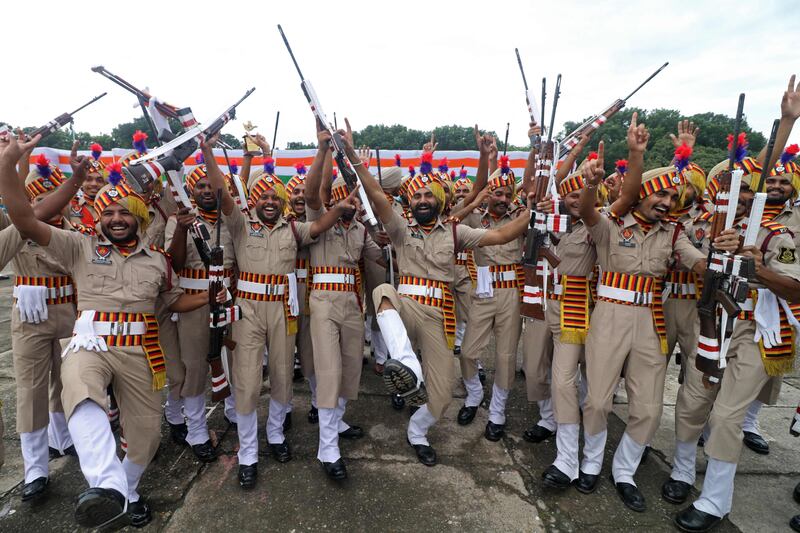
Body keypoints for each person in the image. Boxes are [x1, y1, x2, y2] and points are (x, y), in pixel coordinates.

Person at [0, 132, 219, 529]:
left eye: (125, 213)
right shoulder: (78, 246)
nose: (116, 218)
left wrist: (211, 298)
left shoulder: (159, 261)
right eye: (108, 213)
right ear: (98, 219)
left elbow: (173, 301)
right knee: (81, 392)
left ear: (140, 218)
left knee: (147, 434)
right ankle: (107, 484)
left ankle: (126, 491)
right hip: (90, 342)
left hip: (141, 350)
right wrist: (7, 164)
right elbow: (24, 219)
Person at [576, 117, 740, 512]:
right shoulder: (612, 223)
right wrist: (591, 184)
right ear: (645, 192)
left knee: (648, 407)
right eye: (660, 194)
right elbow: (586, 212)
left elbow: (697, 263)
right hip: (610, 316)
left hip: (651, 318)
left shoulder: (674, 232)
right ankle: (591, 463)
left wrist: (720, 257)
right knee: (597, 401)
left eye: (673, 197)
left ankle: (625, 472)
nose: (667, 202)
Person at [347, 119, 532, 465]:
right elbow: (374, 194)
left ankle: (417, 432)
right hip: (406, 307)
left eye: (427, 194)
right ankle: (402, 361)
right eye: (415, 194)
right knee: (383, 291)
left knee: (443, 395)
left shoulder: (455, 231)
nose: (420, 198)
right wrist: (354, 157)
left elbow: (502, 236)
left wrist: (532, 212)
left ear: (440, 200)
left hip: (439, 315)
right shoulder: (401, 228)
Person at [202, 133, 357, 489]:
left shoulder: (292, 227)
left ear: (283, 201)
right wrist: (208, 152)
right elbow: (222, 192)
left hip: (283, 309)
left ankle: (275, 435)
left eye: (276, 196)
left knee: (284, 376)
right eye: (264, 196)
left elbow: (318, 224)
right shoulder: (241, 224)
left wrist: (340, 208)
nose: (270, 201)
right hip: (248, 310)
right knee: (247, 380)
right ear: (254, 200)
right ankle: (248, 454)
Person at [674, 166, 800, 531]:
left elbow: (794, 289)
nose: (738, 196)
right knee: (692, 401)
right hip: (712, 323)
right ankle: (682, 473)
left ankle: (714, 501)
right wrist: (710, 255)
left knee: (727, 417)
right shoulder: (710, 225)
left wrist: (758, 269)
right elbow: (683, 247)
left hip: (756, 330)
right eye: (731, 189)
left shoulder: (782, 233)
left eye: (746, 190)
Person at [539, 117, 646, 488]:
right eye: (569, 194)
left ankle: (591, 459)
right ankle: (567, 458)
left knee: (593, 389)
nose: (574, 201)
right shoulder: (564, 223)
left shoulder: (605, 222)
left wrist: (633, 156)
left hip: (594, 310)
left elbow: (626, 196)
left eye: (580, 195)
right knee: (563, 381)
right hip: (564, 307)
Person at [3, 140, 93, 502]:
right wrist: (11, 162)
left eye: (47, 197)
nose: (40, 205)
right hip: (29, 315)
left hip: (68, 309)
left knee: (67, 382)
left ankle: (63, 438)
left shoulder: (73, 228)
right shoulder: (13, 223)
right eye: (34, 198)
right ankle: (35, 468)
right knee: (30, 389)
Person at [302, 125, 383, 479]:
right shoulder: (320, 221)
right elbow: (310, 195)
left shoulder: (361, 230)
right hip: (322, 303)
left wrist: (390, 236)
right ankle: (327, 449)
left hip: (352, 305)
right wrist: (323, 151)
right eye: (344, 197)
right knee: (330, 370)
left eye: (354, 197)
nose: (350, 202)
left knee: (351, 369)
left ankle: (337, 423)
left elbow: (380, 258)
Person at [164, 158, 236, 463]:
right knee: (194, 369)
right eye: (201, 185)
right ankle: (195, 429)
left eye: (211, 185)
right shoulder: (179, 221)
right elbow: (175, 264)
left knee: (230, 358)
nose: (207, 190)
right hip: (195, 302)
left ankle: (233, 410)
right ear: (192, 190)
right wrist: (181, 229)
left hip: (228, 298)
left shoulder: (231, 221)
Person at [454, 154, 526, 441]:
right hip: (482, 291)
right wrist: (485, 158)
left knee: (506, 356)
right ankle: (474, 395)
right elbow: (464, 203)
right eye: (497, 192)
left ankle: (497, 411)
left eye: (508, 193)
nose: (503, 198)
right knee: (469, 351)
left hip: (511, 292)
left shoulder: (521, 215)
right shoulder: (474, 215)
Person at [69, 142, 106, 227]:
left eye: (100, 180)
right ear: (81, 182)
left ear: (106, 183)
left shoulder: (115, 206)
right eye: (88, 179)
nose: (94, 184)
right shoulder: (70, 205)